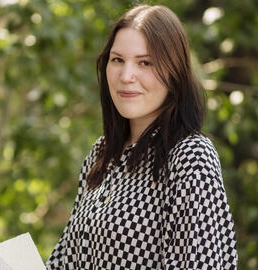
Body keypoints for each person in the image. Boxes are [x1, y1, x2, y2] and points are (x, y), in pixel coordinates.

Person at [46, 4, 238, 270]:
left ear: (174, 73)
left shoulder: (191, 156)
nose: (126, 76)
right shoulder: (101, 155)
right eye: (118, 60)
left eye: (145, 62)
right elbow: (64, 262)